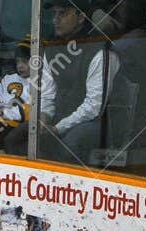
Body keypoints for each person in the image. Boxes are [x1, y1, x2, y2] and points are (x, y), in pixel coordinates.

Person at [38, 0, 120, 165]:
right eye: (54, 13)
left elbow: (94, 107)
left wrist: (58, 128)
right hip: (62, 121)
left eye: (63, 13)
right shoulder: (52, 48)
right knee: (19, 137)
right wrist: (43, 119)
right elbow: (47, 95)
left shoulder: (100, 50)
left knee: (71, 143)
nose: (56, 19)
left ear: (81, 17)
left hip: (99, 125)